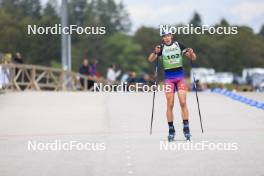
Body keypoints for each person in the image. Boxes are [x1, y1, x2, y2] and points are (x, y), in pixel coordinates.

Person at [148, 30, 196, 141]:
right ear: (162, 38)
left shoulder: (178, 45)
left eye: (168, 35)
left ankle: (186, 128)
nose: (167, 38)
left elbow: (193, 58)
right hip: (169, 79)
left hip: (180, 78)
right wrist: (155, 52)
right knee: (170, 104)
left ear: (171, 36)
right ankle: (171, 129)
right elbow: (150, 59)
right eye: (164, 36)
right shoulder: (161, 48)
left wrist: (192, 53)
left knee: (183, 102)